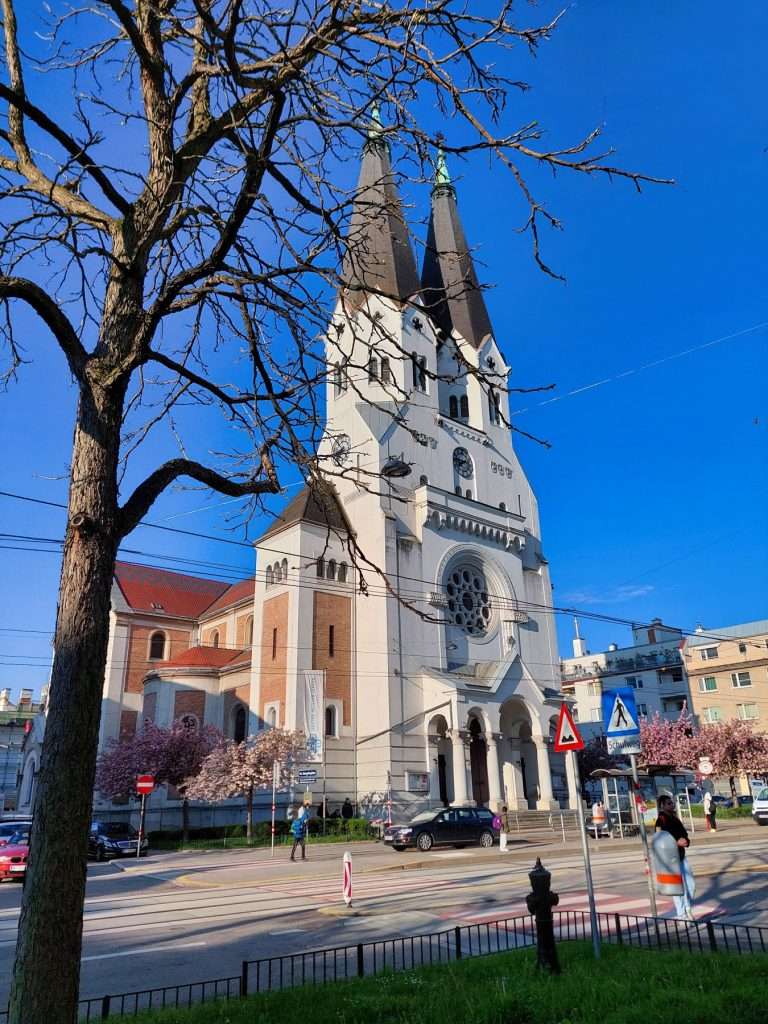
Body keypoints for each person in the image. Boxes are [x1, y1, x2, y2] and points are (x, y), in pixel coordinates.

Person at [655, 794, 694, 919]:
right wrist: (675, 842)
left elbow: (684, 833)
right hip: (670, 859)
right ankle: (682, 913)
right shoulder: (661, 820)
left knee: (690, 884)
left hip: (681, 856)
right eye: (669, 803)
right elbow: (659, 840)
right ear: (662, 806)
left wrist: (686, 841)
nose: (672, 804)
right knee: (677, 887)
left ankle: (687, 907)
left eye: (672, 802)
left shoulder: (675, 818)